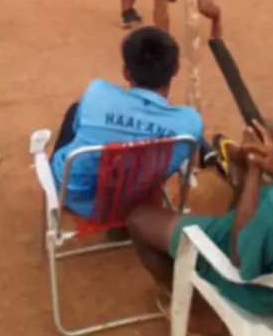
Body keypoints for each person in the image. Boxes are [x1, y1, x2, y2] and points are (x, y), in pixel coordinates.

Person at [127, 75, 273, 334]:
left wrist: (254, 170)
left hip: (264, 296)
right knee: (251, 195)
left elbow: (238, 255)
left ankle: (200, 318)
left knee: (139, 220)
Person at [51, 27, 204, 218]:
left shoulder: (97, 94)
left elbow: (76, 129)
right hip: (135, 202)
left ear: (126, 72)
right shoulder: (190, 124)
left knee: (76, 111)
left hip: (78, 199)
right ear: (176, 68)